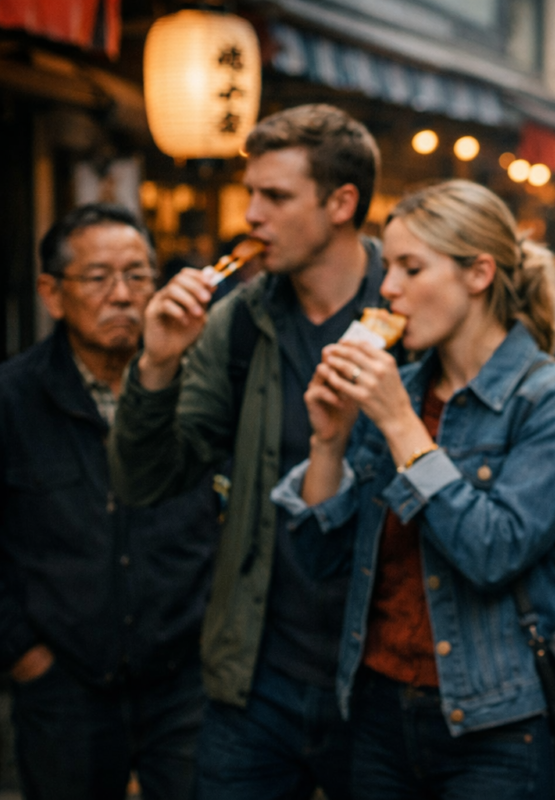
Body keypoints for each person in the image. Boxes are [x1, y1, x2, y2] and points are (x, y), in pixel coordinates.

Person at [269, 179, 555, 799]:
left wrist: (399, 423)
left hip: (497, 724)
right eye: (387, 265)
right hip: (375, 709)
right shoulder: (401, 386)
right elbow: (321, 562)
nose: (387, 287)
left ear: (478, 273)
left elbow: (494, 552)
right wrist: (329, 441)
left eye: (410, 267)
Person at [108, 104, 387, 799]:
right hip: (258, 677)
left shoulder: (412, 309)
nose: (250, 213)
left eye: (276, 196)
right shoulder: (239, 319)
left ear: (342, 202)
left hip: (385, 679)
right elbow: (145, 480)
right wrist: (157, 366)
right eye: (251, 191)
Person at [0, 204, 219, 799]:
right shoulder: (14, 398)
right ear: (51, 292)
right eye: (98, 279)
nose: (122, 296)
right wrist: (22, 651)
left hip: (185, 682)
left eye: (139, 276)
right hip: (62, 686)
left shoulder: (198, 387)